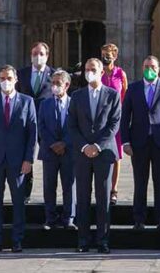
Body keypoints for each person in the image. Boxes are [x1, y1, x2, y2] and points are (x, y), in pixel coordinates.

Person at [0, 65, 37, 253]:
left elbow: (32, 133)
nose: (5, 81)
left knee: (18, 202)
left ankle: (17, 240)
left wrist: (29, 159)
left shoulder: (27, 102)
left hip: (18, 160)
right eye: (2, 78)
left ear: (16, 79)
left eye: (9, 78)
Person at [121, 55, 160, 231]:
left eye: (153, 66)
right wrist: (125, 141)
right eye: (146, 66)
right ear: (142, 68)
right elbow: (125, 117)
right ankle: (139, 219)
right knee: (140, 182)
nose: (150, 69)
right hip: (139, 142)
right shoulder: (133, 89)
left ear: (158, 68)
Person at [68, 58, 121, 254]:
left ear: (101, 73)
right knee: (82, 197)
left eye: (93, 69)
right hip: (82, 154)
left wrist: (97, 146)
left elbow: (114, 124)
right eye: (87, 69)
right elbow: (71, 125)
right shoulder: (77, 96)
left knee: (103, 198)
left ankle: (103, 240)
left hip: (104, 153)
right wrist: (84, 146)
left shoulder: (112, 95)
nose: (89, 72)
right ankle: (83, 240)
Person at [37, 70, 76, 229]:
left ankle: (69, 218)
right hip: (49, 151)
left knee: (69, 186)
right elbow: (41, 127)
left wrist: (64, 143)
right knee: (49, 186)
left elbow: (75, 126)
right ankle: (50, 218)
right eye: (52, 83)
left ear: (66, 85)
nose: (54, 86)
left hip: (69, 151)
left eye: (58, 84)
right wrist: (53, 143)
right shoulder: (44, 104)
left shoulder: (74, 103)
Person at [17, 41, 55, 203]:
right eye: (34, 54)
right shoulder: (21, 74)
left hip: (47, 124)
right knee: (26, 157)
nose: (37, 57)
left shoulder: (54, 75)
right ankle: (25, 194)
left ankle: (50, 195)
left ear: (47, 56)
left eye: (41, 54)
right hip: (26, 123)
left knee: (49, 159)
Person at [99, 43, 128, 205]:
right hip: (100, 119)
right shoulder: (98, 72)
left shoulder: (120, 74)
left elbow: (124, 95)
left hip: (116, 119)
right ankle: (102, 187)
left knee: (116, 155)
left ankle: (113, 189)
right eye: (104, 54)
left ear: (115, 56)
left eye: (109, 54)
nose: (106, 57)